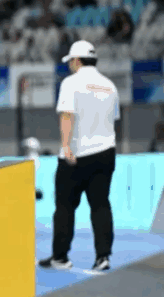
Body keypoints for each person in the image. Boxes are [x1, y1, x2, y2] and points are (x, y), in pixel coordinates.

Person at [39, 40, 119, 273]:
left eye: (70, 61)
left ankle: (60, 257)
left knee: (64, 207)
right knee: (100, 205)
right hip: (105, 152)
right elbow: (113, 120)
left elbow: (67, 115)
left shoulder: (71, 82)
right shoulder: (110, 86)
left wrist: (66, 147)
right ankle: (103, 257)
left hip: (76, 154)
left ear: (76, 60)